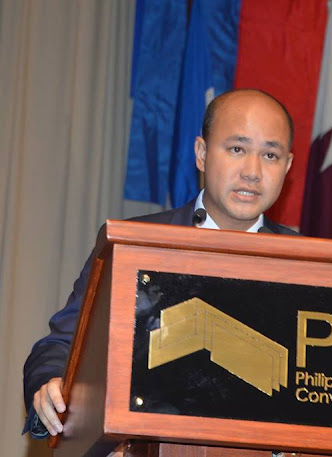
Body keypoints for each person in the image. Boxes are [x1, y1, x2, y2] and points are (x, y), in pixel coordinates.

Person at [23, 88, 299, 438]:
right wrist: (50, 383)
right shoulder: (133, 244)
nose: (252, 172)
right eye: (236, 149)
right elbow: (62, 346)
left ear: (287, 166)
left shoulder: (310, 264)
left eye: (270, 155)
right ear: (202, 154)